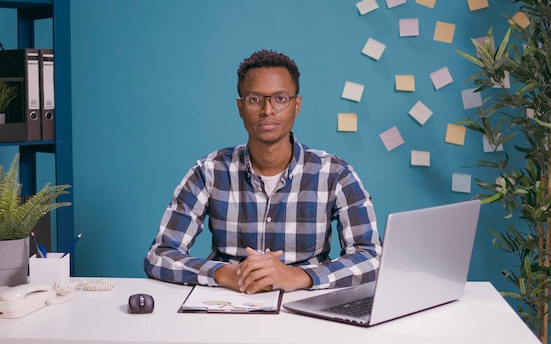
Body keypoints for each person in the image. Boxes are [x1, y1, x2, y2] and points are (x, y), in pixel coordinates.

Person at [144, 49, 381, 294]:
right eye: (255, 99)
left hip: (306, 308)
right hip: (227, 304)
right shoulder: (209, 172)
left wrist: (300, 276)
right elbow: (159, 256)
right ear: (240, 107)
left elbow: (372, 257)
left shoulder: (335, 174)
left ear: (296, 105)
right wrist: (224, 273)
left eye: (280, 99)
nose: (267, 110)